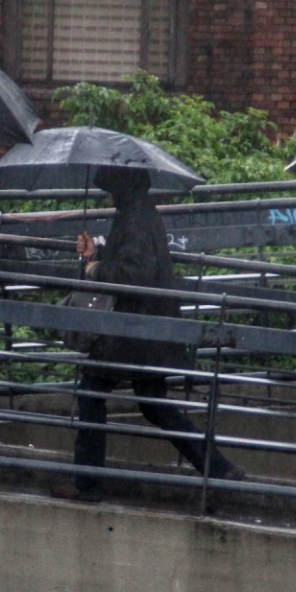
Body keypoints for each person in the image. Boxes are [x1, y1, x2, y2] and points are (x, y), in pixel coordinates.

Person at [53, 166, 243, 502]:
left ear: (120, 187)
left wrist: (97, 268)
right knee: (155, 406)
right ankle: (219, 467)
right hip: (146, 332)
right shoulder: (139, 213)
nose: (107, 195)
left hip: (133, 331)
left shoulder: (135, 219)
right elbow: (132, 265)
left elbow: (134, 274)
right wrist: (94, 255)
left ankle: (88, 484)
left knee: (92, 390)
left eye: (109, 188)